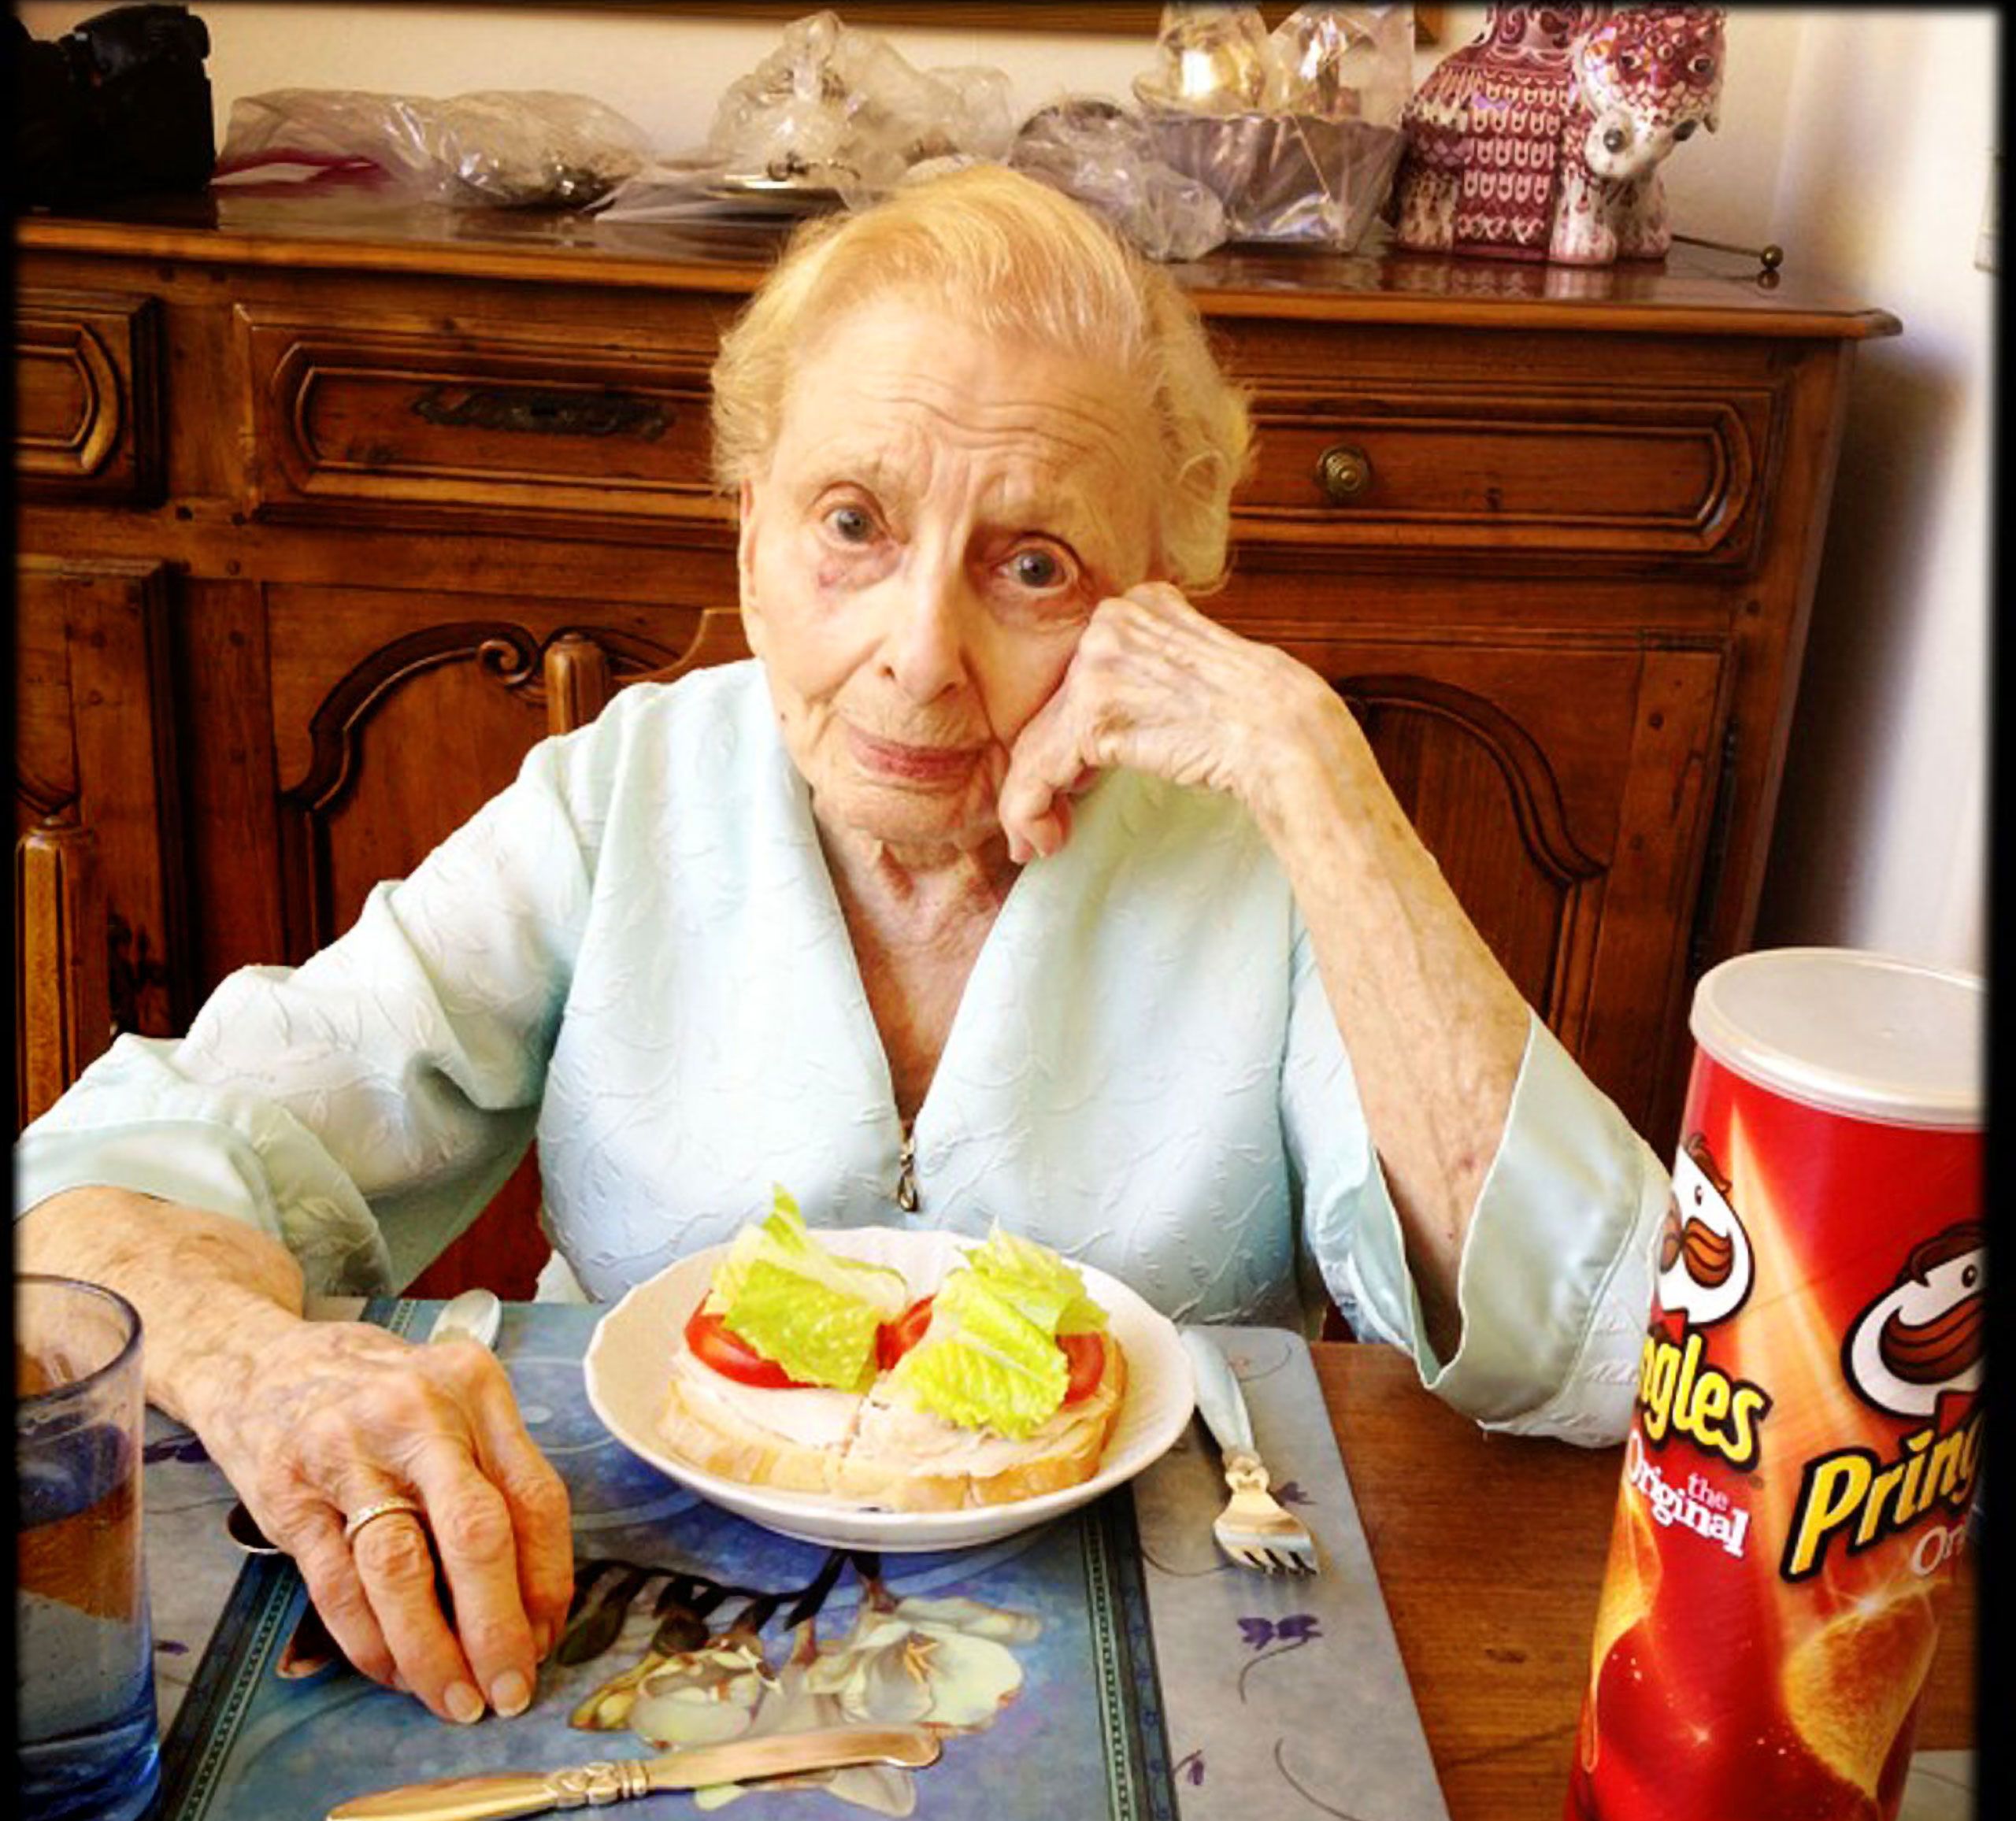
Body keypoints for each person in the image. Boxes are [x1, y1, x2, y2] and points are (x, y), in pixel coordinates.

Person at [16, 164, 1666, 1727]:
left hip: (1168, 1657)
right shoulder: (623, 796)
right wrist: (260, 1366)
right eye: (851, 524)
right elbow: (114, 1172)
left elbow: (1603, 1351)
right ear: (746, 529)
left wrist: (1320, 781)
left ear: (1151, 598)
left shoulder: (1255, 847)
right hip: (610, 1641)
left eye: (1032, 563)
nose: (918, 657)